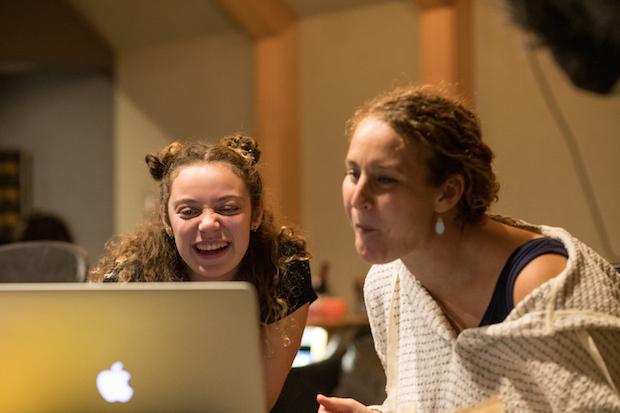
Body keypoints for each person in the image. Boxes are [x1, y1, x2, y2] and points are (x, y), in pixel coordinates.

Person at [317, 85, 620, 412]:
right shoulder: (386, 284)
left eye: (385, 180)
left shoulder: (543, 288)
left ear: (447, 193)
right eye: (353, 173)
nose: (358, 198)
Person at [89, 134, 317, 410]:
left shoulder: (283, 268)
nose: (208, 224)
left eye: (228, 208)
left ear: (255, 214)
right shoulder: (130, 278)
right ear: (166, 219)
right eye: (188, 211)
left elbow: (256, 401)